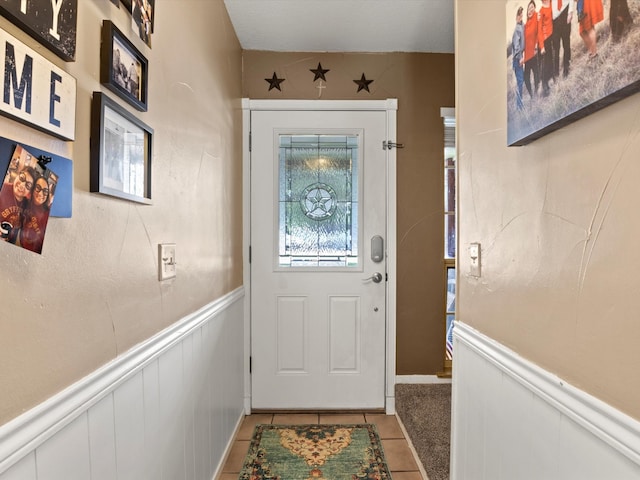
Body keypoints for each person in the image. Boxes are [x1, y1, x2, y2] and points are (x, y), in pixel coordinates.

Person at [0, 166, 36, 244]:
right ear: (18, 175)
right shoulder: (3, 188)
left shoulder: (27, 203)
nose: (22, 185)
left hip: (11, 240)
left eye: (28, 185)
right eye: (22, 178)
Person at [18, 174, 51, 254]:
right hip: (19, 245)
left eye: (45, 191)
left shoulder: (49, 214)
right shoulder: (25, 203)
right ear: (32, 189)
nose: (41, 194)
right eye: (38, 188)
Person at [523, 0, 543, 100]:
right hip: (527, 55)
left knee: (536, 73)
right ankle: (531, 94)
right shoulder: (526, 25)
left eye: (532, 7)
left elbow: (538, 32)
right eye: (529, 8)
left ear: (534, 8)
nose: (530, 10)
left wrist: (536, 45)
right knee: (526, 77)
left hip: (534, 52)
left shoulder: (537, 17)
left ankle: (536, 92)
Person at [552, 0, 574, 79]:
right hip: (554, 21)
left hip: (565, 14)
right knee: (556, 48)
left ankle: (566, 67)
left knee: (566, 44)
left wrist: (570, 12)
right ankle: (556, 72)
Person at [539, 0, 554, 96]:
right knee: (546, 61)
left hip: (554, 35)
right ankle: (544, 84)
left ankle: (552, 77)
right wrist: (542, 46)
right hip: (545, 38)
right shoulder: (541, 11)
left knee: (552, 58)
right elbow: (539, 30)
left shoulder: (552, 3)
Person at [512, 6, 525, 110]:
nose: (520, 17)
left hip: (520, 58)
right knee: (520, 82)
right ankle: (519, 105)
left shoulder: (522, 26)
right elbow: (516, 46)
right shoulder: (517, 29)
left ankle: (519, 104)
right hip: (517, 59)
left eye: (521, 15)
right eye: (519, 15)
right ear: (516, 17)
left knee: (521, 81)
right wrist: (520, 57)